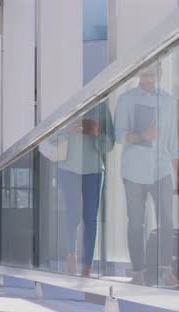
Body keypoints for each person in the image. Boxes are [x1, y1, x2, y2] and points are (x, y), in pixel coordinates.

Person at [114, 62, 179, 287]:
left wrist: (177, 176)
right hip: (134, 172)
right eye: (144, 73)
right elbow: (119, 135)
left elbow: (174, 143)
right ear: (139, 74)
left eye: (152, 73)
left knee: (167, 221)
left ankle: (165, 272)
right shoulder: (126, 99)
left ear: (159, 74)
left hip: (162, 171)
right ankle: (139, 273)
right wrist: (144, 135)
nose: (148, 78)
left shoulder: (169, 102)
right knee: (136, 224)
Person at [52, 101, 114, 277]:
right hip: (68, 169)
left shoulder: (101, 108)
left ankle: (88, 265)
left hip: (93, 170)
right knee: (72, 214)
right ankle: (71, 255)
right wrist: (67, 131)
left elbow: (109, 144)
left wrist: (96, 134)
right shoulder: (65, 103)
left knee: (90, 217)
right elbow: (49, 137)